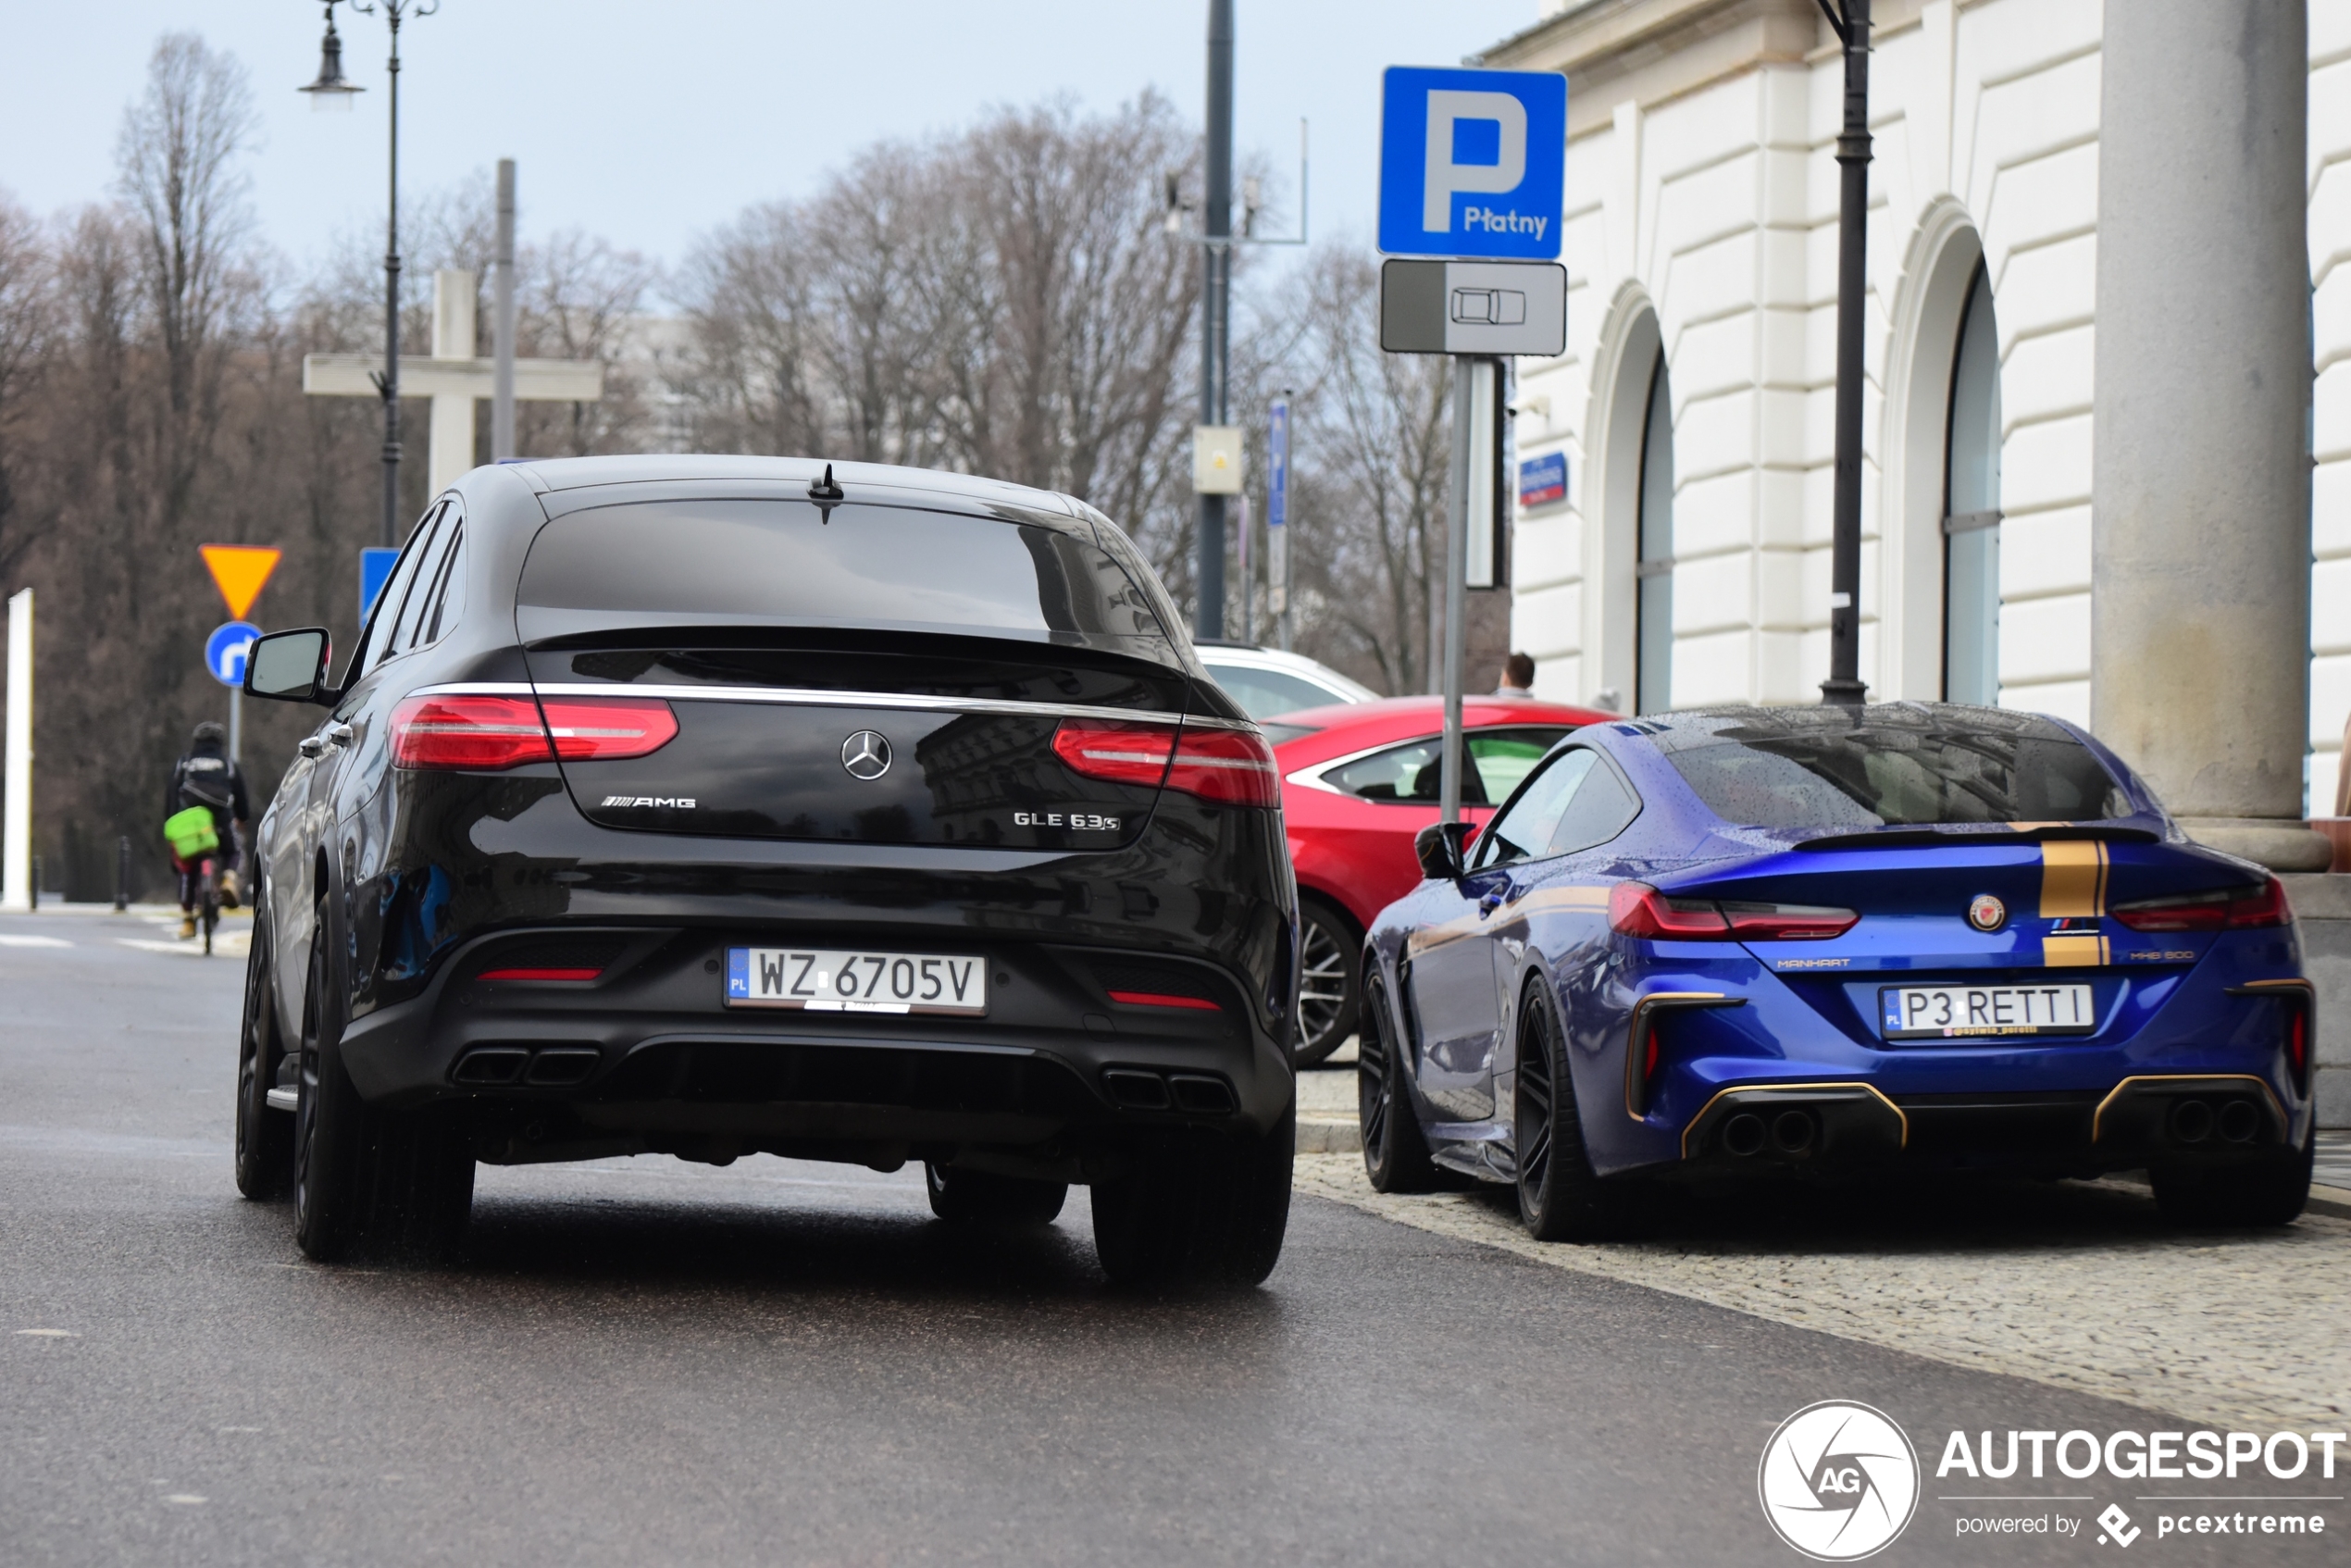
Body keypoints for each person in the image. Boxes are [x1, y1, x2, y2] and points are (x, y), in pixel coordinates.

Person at [166, 721, 251, 940]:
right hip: (220, 815)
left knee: (187, 865)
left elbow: (172, 793)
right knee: (234, 850)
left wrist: (171, 822)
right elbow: (240, 795)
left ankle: (187, 920)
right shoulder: (227, 763)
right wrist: (242, 818)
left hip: (190, 818)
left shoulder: (184, 763)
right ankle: (229, 879)